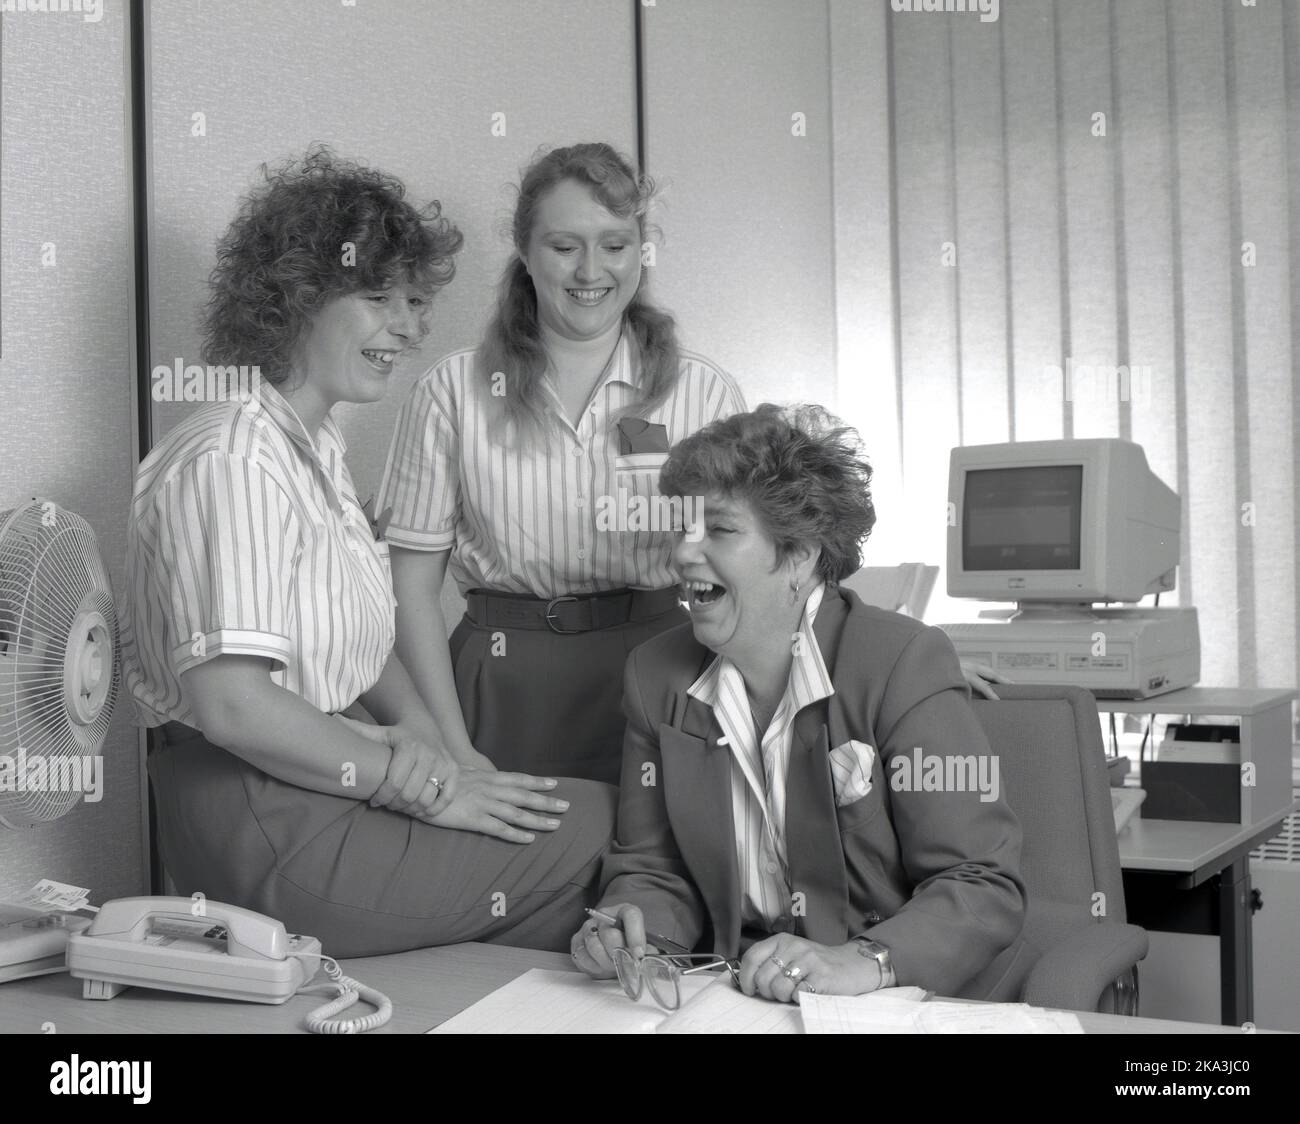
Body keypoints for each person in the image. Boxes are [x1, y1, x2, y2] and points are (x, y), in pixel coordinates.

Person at [121, 150, 614, 958]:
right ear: (297, 296)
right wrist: (414, 790)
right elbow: (233, 707)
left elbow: (366, 643)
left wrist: (448, 760)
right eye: (378, 297)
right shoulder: (233, 459)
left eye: (415, 302)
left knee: (590, 846)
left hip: (316, 786)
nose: (411, 327)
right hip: (264, 821)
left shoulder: (312, 448)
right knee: (612, 830)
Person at [570, 405, 1026, 1001]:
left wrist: (864, 960)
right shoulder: (654, 676)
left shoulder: (902, 662)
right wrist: (634, 933)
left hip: (885, 1000)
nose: (682, 553)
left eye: (720, 529)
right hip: (738, 1001)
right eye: (681, 527)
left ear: (800, 555)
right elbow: (652, 866)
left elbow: (981, 882)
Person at [376, 143, 746, 787]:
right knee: (504, 879)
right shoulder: (453, 391)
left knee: (649, 877)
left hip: (660, 669)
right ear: (525, 250)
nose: (591, 270)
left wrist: (871, 664)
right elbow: (408, 591)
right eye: (564, 246)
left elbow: (755, 560)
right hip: (498, 682)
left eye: (615, 244)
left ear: (640, 250)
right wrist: (453, 748)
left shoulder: (701, 392)